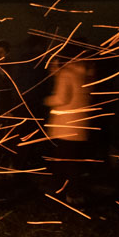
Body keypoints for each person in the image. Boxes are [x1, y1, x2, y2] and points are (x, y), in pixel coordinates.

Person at [44, 53, 90, 204]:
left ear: (58, 62)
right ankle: (71, 193)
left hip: (65, 126)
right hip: (79, 125)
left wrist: (45, 100)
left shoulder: (64, 74)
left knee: (64, 162)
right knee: (72, 162)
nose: (50, 69)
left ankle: (69, 194)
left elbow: (61, 98)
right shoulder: (84, 73)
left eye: (51, 65)